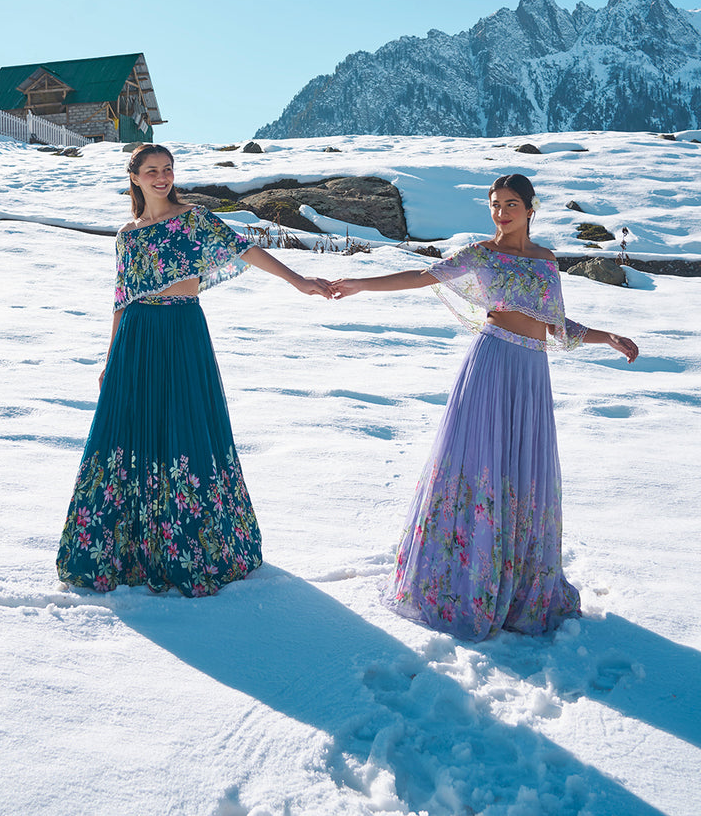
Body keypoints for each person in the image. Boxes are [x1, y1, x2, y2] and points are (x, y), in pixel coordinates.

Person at [331, 174, 638, 641]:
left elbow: (556, 325)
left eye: (511, 204)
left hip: (532, 374)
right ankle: (464, 581)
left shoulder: (546, 262)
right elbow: (421, 276)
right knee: (479, 466)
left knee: (523, 473)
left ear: (531, 208)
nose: (501, 212)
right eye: (495, 204)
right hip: (492, 363)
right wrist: (358, 284)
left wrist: (607, 337)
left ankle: (518, 585)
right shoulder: (480, 254)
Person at [57, 144, 333, 596]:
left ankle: (192, 545)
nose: (162, 178)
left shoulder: (195, 219)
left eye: (167, 170)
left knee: (185, 429)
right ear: (136, 178)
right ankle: (128, 549)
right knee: (132, 434)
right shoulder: (128, 236)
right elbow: (121, 301)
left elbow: (245, 250)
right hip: (136, 340)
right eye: (152, 171)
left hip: (183, 330)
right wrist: (109, 360)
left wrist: (299, 280)